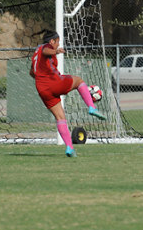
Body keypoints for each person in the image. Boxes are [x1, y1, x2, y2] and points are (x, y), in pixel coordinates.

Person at [30, 30, 106, 158]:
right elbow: (46, 50)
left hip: (42, 89)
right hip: (53, 82)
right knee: (78, 81)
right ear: (52, 41)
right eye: (57, 42)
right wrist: (56, 51)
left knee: (60, 117)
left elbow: (32, 72)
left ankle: (70, 148)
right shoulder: (46, 47)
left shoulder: (36, 53)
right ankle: (92, 107)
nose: (58, 45)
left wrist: (42, 79)